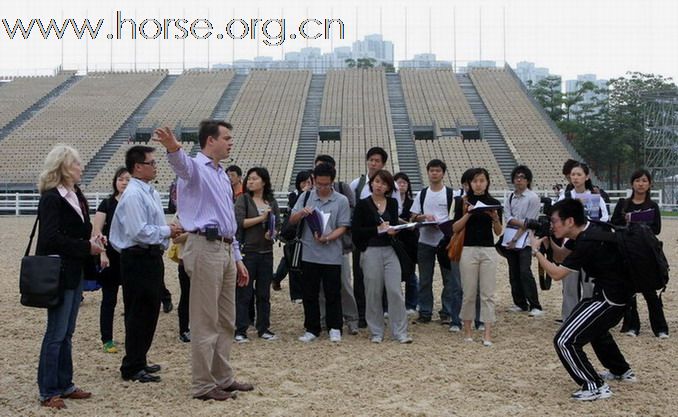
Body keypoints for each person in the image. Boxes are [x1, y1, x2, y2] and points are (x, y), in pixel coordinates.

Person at [155, 120, 253, 401]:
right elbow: (180, 163)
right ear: (211, 140)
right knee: (205, 319)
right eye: (227, 137)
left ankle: (222, 377)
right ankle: (202, 384)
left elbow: (227, 221)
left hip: (223, 247)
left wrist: (237, 256)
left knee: (226, 319)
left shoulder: (222, 175)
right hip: (203, 245)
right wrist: (173, 147)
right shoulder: (195, 168)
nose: (230, 142)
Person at [531, 199, 636, 401]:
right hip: (615, 295)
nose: (552, 225)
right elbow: (562, 256)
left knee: (564, 340)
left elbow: (556, 273)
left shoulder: (588, 241)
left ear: (569, 221)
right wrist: (547, 242)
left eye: (554, 221)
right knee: (594, 328)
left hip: (610, 299)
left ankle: (594, 385)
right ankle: (620, 370)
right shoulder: (591, 229)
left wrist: (535, 251)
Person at [36, 144, 104, 409]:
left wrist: (94, 237)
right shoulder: (52, 198)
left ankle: (65, 383)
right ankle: (48, 389)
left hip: (75, 271)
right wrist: (86, 247)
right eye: (77, 164)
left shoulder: (77, 195)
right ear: (64, 167)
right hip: (59, 272)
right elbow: (50, 239)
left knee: (67, 332)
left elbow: (82, 228)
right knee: (55, 332)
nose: (81, 167)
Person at [110, 145, 182, 384]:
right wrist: (167, 231)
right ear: (138, 167)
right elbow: (138, 231)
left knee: (149, 310)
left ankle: (139, 359)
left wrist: (164, 234)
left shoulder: (147, 191)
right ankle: (131, 365)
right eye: (151, 163)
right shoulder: (133, 194)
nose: (155, 166)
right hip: (137, 257)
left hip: (150, 256)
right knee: (139, 311)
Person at [289, 163, 351, 343]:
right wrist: (302, 212)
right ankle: (312, 328)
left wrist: (329, 237)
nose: (323, 188)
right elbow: (292, 220)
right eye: (319, 184)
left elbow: (344, 226)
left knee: (333, 292)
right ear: (314, 181)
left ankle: (335, 327)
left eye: (327, 184)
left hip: (332, 254)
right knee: (310, 292)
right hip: (309, 252)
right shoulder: (306, 196)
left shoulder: (341, 200)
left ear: (332, 182)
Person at [352, 169, 412, 343]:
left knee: (395, 290)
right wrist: (376, 230)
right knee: (373, 291)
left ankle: (400, 331)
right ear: (372, 183)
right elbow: (356, 232)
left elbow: (392, 225)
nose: (379, 185)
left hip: (389, 249)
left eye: (384, 183)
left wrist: (393, 231)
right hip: (370, 250)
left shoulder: (392, 203)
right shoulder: (362, 204)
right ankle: (376, 331)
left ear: (388, 187)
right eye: (377, 181)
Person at [611, 169, 668, 338]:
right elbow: (613, 224)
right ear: (632, 183)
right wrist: (626, 222)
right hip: (627, 251)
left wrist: (641, 223)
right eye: (637, 180)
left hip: (647, 252)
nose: (640, 184)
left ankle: (660, 328)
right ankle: (631, 326)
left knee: (650, 291)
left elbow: (657, 228)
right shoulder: (623, 204)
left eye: (644, 180)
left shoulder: (653, 206)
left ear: (649, 184)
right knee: (629, 291)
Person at [350, 146, 401, 327]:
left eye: (377, 160)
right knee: (360, 277)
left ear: (383, 163)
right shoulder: (357, 183)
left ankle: (384, 311)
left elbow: (396, 212)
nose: (373, 163)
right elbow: (352, 209)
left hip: (386, 241)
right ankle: (363, 314)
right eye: (371, 159)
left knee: (387, 281)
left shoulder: (393, 188)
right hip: (364, 240)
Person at [452, 168, 502, 346]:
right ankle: (467, 331)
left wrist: (495, 218)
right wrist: (468, 213)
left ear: (487, 182)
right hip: (468, 249)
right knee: (469, 293)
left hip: (488, 249)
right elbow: (455, 228)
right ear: (470, 183)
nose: (478, 184)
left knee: (487, 293)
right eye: (475, 181)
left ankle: (487, 333)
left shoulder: (494, 202)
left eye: (481, 180)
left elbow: (498, 231)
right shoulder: (463, 202)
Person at [555, 162, 608, 320]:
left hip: (590, 244)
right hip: (569, 245)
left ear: (586, 176)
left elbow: (604, 218)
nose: (576, 178)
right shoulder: (565, 197)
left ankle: (589, 317)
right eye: (573, 175)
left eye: (579, 174)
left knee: (590, 283)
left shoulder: (594, 197)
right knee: (569, 283)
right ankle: (568, 317)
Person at [410, 159, 459, 326]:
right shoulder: (422, 194)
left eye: (437, 170)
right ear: (428, 172)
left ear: (443, 173)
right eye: (432, 170)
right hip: (425, 240)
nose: (434, 173)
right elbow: (413, 216)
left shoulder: (452, 194)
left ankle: (447, 311)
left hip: (445, 240)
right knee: (425, 279)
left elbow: (456, 217)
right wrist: (423, 217)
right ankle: (425, 311)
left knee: (449, 279)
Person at [314, 154, 360, 335]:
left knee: (343, 283)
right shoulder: (310, 193)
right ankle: (325, 318)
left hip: (339, 245)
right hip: (317, 246)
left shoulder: (343, 189)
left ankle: (352, 318)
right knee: (321, 286)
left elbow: (351, 211)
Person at [234, 167, 281, 342]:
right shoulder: (243, 200)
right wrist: (262, 219)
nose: (251, 181)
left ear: (264, 181)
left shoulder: (271, 201)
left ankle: (264, 327)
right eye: (249, 178)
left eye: (255, 178)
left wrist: (273, 232)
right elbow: (239, 223)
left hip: (267, 252)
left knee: (263, 294)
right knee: (244, 293)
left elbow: (277, 223)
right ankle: (241, 329)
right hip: (248, 252)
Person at [91, 167, 131, 354]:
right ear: (115, 181)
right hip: (110, 257)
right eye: (121, 179)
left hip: (131, 257)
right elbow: (96, 231)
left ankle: (132, 337)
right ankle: (107, 338)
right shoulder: (106, 204)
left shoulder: (134, 202)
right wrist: (102, 253)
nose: (124, 182)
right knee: (109, 299)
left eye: (128, 180)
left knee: (131, 300)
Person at [503, 165, 544, 317]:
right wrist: (522, 223)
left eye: (522, 177)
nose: (519, 180)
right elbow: (508, 218)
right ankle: (520, 302)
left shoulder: (532, 197)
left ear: (528, 180)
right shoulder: (511, 196)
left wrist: (516, 236)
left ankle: (535, 304)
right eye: (516, 177)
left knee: (525, 271)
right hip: (510, 238)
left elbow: (530, 222)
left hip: (526, 241)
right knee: (513, 272)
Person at [272, 169, 313, 302]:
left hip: (306, 234)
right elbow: (294, 210)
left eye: (308, 182)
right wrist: (304, 193)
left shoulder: (313, 195)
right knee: (292, 263)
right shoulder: (294, 195)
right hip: (293, 235)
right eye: (303, 182)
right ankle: (296, 294)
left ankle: (276, 279)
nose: (306, 184)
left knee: (289, 261)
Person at [394, 172, 418, 315]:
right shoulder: (390, 201)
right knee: (394, 274)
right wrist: (405, 223)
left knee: (410, 275)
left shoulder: (412, 202)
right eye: (399, 182)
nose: (401, 185)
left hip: (409, 241)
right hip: (395, 239)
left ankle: (411, 304)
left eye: (404, 182)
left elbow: (416, 218)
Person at [168, 215, 191, 343]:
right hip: (186, 260)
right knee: (186, 295)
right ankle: (184, 329)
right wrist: (195, 232)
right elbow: (176, 239)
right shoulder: (180, 215)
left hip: (204, 261)